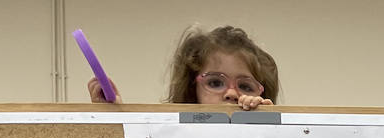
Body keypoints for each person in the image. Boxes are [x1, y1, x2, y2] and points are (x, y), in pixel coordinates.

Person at [88, 25, 278, 111]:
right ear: (191, 90)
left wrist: (270, 123)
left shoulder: (270, 136)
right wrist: (114, 116)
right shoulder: (171, 137)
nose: (231, 93)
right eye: (215, 82)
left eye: (245, 86)